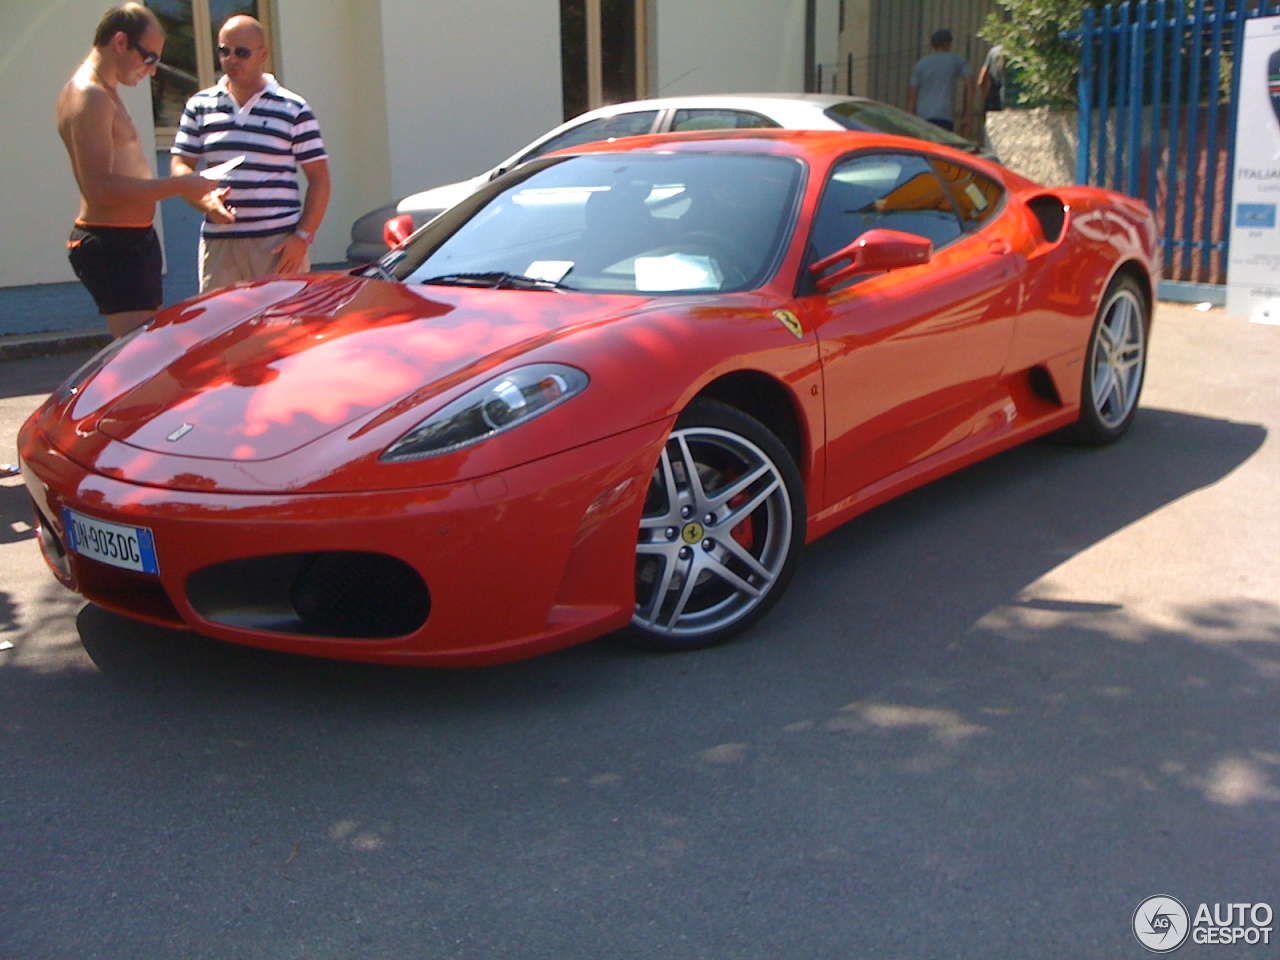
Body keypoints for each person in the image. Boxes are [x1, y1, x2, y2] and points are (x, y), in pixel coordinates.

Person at [57, 3, 228, 338]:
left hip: (128, 240)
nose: (152, 71)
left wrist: (185, 186)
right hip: (115, 243)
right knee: (138, 358)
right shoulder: (89, 95)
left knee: (141, 355)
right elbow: (99, 188)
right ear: (120, 42)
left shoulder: (103, 92)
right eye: (149, 58)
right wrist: (180, 186)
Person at [170, 15, 331, 293]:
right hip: (220, 246)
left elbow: (320, 180)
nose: (231, 59)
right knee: (220, 330)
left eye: (241, 52)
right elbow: (180, 167)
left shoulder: (293, 108)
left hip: (276, 247)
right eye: (224, 51)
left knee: (282, 330)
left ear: (263, 55)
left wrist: (302, 237)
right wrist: (206, 202)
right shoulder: (200, 106)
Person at [906, 28, 975, 136]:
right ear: (948, 44)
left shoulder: (920, 64)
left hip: (922, 118)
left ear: (932, 45)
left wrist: (909, 120)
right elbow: (970, 82)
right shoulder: (957, 60)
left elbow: (912, 96)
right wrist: (968, 115)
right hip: (944, 115)